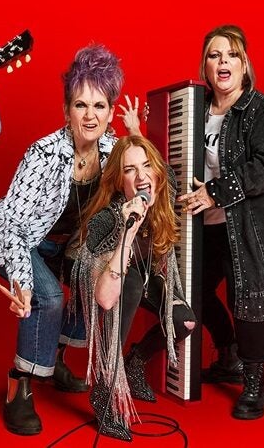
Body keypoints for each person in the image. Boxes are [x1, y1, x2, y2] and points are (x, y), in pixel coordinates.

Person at [0, 44, 142, 435]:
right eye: (80, 105)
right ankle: (18, 385)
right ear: (66, 109)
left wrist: (136, 136)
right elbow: (16, 227)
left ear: (110, 112)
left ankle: (51, 361)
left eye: (100, 106)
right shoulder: (43, 154)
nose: (90, 115)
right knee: (49, 297)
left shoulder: (113, 151)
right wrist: (23, 285)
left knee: (93, 284)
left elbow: (146, 180)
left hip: (67, 244)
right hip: (16, 237)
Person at [178, 24, 264, 420]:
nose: (223, 62)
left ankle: (255, 385)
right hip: (206, 224)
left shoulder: (263, 110)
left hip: (251, 225)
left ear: (244, 64)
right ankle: (228, 356)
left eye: (232, 55)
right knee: (194, 293)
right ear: (206, 66)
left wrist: (215, 191)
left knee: (250, 302)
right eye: (214, 55)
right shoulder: (195, 110)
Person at [72, 136, 196, 441]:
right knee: (128, 288)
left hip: (140, 274)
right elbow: (103, 297)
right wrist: (130, 229)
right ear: (118, 181)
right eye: (130, 170)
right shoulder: (107, 220)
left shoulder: (162, 193)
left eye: (146, 167)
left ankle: (134, 364)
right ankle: (103, 390)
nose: (142, 177)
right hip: (98, 277)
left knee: (184, 320)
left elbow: (163, 168)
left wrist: (132, 129)